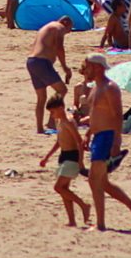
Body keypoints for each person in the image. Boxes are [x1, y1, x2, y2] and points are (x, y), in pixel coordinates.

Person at [84, 53, 131, 231]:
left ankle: (100, 224)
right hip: (97, 136)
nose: (85, 69)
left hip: (107, 136)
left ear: (97, 67)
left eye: (88, 65)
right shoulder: (96, 87)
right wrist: (88, 132)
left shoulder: (110, 87)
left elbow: (117, 115)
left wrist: (116, 143)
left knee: (94, 180)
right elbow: (97, 114)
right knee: (102, 182)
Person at [39, 95, 92, 227]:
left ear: (61, 108)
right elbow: (59, 141)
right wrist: (47, 156)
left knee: (58, 187)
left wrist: (81, 163)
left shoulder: (69, 122)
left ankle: (84, 205)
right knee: (64, 191)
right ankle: (72, 221)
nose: (52, 115)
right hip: (63, 155)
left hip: (72, 156)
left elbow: (79, 142)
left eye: (53, 111)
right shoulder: (59, 122)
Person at [27, 17, 73, 133]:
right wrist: (65, 68)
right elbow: (59, 48)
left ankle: (40, 128)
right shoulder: (59, 27)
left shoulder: (45, 27)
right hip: (42, 63)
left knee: (41, 98)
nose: (68, 32)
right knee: (62, 90)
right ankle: (52, 122)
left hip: (31, 61)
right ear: (65, 23)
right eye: (69, 29)